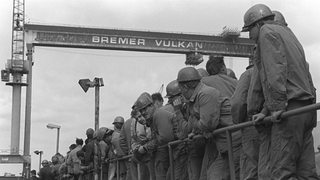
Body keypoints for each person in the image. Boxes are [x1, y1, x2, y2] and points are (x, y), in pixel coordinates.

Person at [242, 4, 318, 179]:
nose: (250, 36)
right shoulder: (289, 34)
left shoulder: (266, 32)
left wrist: (276, 107)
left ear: (257, 24)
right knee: (306, 172)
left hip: (289, 111)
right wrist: (265, 111)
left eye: (249, 30)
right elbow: (299, 75)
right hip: (305, 108)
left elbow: (275, 71)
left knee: (282, 171)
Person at [176, 66, 241, 180]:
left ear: (185, 86)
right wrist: (197, 129)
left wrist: (197, 125)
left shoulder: (206, 93)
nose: (180, 92)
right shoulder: (195, 98)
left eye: (180, 88)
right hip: (222, 143)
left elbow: (207, 124)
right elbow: (195, 126)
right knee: (211, 175)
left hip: (233, 141)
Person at [231, 62, 260, 180]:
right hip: (276, 121)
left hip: (252, 125)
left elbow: (238, 102)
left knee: (251, 167)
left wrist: (238, 122)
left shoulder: (248, 74)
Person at [164, 80, 189, 180]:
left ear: (180, 95)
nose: (169, 101)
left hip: (186, 151)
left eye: (171, 98)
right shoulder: (179, 109)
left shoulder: (186, 107)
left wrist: (178, 110)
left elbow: (184, 131)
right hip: (180, 152)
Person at [134, 92, 158, 180]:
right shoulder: (149, 122)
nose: (143, 113)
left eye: (145, 109)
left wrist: (144, 148)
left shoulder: (156, 117)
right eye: (141, 110)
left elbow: (161, 138)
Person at [119, 111, 137, 180]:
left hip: (131, 154)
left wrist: (127, 151)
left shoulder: (126, 123)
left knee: (132, 174)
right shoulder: (141, 120)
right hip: (143, 152)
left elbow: (121, 140)